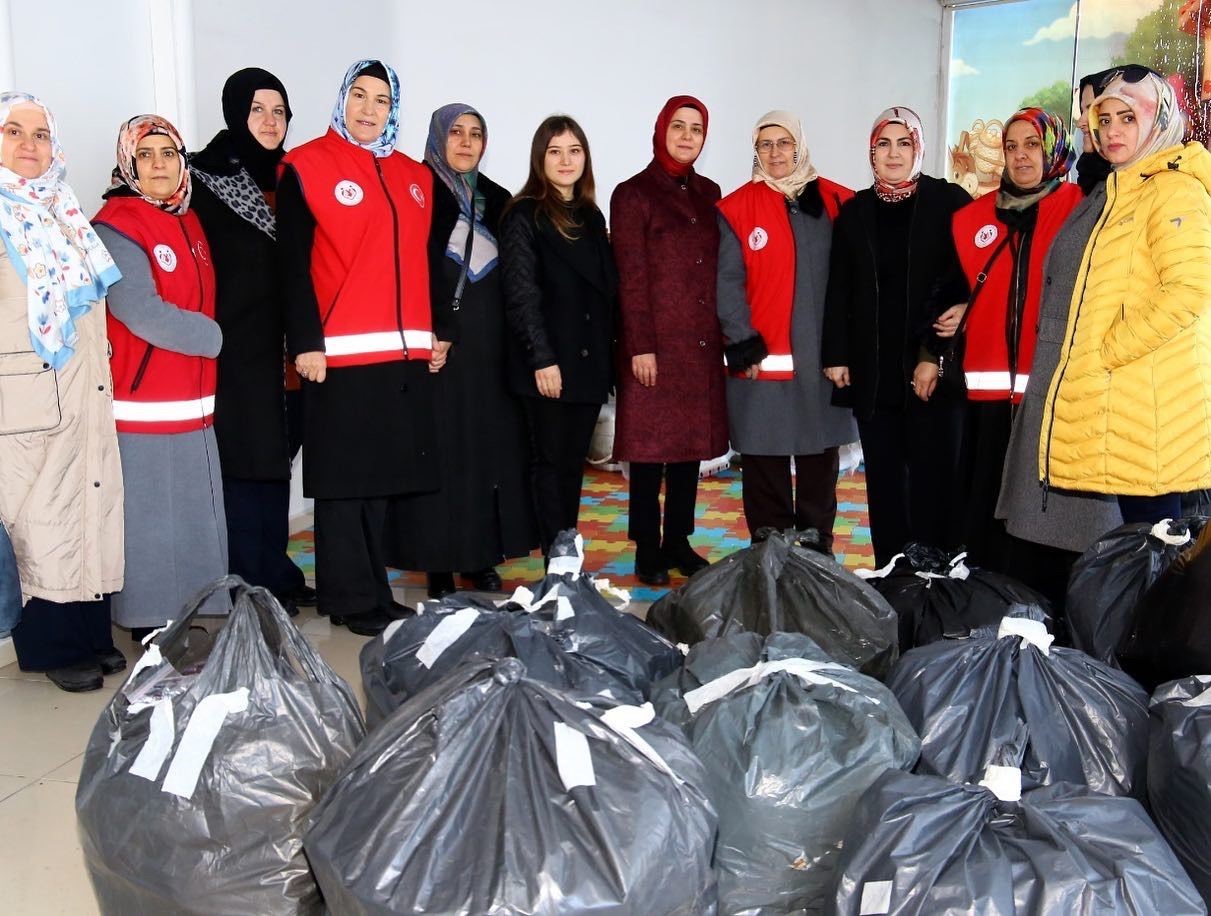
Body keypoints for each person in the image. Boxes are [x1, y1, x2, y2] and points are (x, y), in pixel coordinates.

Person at [279, 60, 436, 636]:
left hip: (401, 356)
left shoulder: (414, 175)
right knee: (344, 484)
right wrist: (305, 343)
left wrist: (431, 336)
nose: (369, 110)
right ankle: (347, 597)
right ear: (342, 99)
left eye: (381, 100)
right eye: (359, 97)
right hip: (336, 356)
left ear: (394, 108)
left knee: (380, 480)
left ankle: (374, 588)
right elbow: (292, 266)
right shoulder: (307, 165)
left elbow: (422, 267)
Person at [1041, 67, 1211, 525]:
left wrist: (1113, 347)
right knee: (1146, 541)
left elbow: (1190, 289)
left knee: (1154, 541)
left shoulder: (1173, 190)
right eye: (1106, 119)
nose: (1113, 131)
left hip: (1153, 399)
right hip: (1135, 396)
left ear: (1157, 123)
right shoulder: (1129, 186)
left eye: (1128, 118)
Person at [0, 92, 125, 691]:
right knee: (40, 518)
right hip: (24, 398)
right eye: (13, 131)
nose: (29, 145)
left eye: (41, 134)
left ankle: (89, 634)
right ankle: (52, 647)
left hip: (84, 389)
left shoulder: (63, 210)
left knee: (88, 505)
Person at [387, 103, 537, 598]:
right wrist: (431, 328)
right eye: (457, 132)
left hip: (488, 348)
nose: (467, 142)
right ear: (438, 137)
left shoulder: (497, 199)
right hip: (438, 345)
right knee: (440, 452)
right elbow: (408, 265)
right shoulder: (416, 190)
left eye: (476, 134)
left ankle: (478, 557)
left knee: (484, 454)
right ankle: (436, 561)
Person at [93, 114, 230, 641]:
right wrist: (214, 338)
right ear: (129, 161)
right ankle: (148, 621)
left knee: (194, 516)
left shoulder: (186, 218)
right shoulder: (117, 223)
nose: (158, 165)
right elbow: (138, 309)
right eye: (146, 154)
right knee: (150, 522)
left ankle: (195, 611)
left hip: (191, 402)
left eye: (168, 154)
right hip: (143, 405)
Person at [995, 74, 1123, 609]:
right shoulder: (1094, 194)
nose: (1102, 128)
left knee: (1090, 529)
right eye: (1094, 117)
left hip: (1095, 379)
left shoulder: (1096, 197)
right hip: (1038, 381)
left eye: (1117, 117)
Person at [822, 106, 971, 565]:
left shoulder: (950, 204)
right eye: (882, 144)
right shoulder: (855, 212)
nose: (893, 153)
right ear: (871, 151)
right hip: (875, 370)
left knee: (934, 478)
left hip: (933, 370)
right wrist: (836, 354)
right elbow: (838, 288)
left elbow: (968, 278)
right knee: (884, 480)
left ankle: (939, 573)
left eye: (903, 143)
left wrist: (944, 339)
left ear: (918, 148)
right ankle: (893, 569)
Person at [190, 67, 311, 613]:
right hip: (233, 348)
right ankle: (243, 580)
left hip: (289, 350)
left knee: (277, 461)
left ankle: (274, 572)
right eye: (258, 109)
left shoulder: (295, 177)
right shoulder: (202, 175)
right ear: (236, 110)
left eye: (279, 110)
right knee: (242, 466)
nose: (269, 120)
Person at [945, 108, 1081, 573]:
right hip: (986, 390)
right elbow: (953, 287)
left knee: (1040, 507)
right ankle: (981, 591)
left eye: (1032, 145)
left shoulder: (1080, 208)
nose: (1021, 156)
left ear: (1053, 149)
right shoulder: (970, 218)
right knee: (983, 498)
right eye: (1012, 146)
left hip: (1049, 389)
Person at [716, 110, 856, 547]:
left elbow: (853, 283)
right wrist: (741, 343)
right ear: (755, 151)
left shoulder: (839, 202)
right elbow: (727, 282)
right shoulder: (735, 209)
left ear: (800, 145)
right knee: (763, 466)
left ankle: (816, 552)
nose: (775, 152)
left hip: (821, 365)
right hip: (762, 367)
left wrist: (845, 349)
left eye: (784, 142)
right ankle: (769, 551)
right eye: (765, 144)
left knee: (818, 464)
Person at [610, 95, 727, 585]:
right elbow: (629, 276)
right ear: (660, 130)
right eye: (677, 126)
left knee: (687, 450)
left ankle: (678, 540)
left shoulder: (710, 192)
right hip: (653, 344)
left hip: (698, 344)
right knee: (649, 451)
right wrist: (640, 345)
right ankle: (646, 548)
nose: (686, 136)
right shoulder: (632, 194)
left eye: (695, 128)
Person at [500, 115, 616, 556]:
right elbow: (521, 295)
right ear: (539, 159)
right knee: (549, 467)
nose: (566, 160)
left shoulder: (590, 214)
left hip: (587, 368)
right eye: (555, 151)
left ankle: (566, 551)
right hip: (548, 366)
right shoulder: (524, 214)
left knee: (571, 468)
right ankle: (556, 559)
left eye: (574, 151)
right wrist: (541, 359)